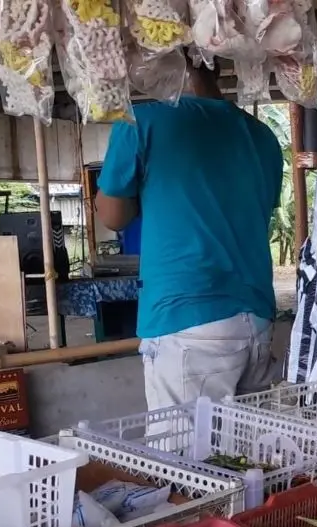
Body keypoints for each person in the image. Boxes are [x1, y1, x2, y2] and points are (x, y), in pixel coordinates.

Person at [95, 51, 284, 410]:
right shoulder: (263, 136)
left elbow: (114, 217)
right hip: (256, 318)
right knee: (251, 457)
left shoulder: (140, 122)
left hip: (187, 320)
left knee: (184, 461)